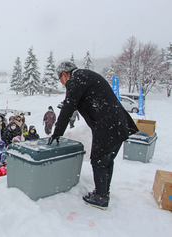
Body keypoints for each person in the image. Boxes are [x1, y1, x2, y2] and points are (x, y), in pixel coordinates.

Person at [47, 61, 139, 210]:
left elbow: (68, 108)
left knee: (99, 160)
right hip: (118, 123)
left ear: (65, 75)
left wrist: (57, 133)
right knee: (107, 160)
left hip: (106, 125)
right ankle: (103, 192)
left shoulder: (75, 80)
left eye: (61, 80)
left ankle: (101, 197)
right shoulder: (86, 75)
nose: (63, 84)